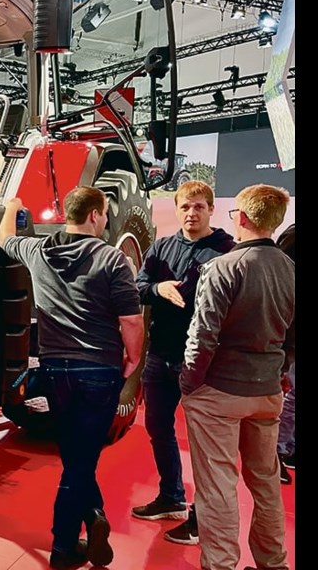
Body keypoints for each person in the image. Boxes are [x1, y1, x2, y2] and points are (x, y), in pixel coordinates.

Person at [0, 187, 144, 569]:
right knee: (82, 462)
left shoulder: (38, 252)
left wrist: (13, 206)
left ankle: (94, 515)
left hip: (54, 369)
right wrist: (134, 357)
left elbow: (4, 240)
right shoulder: (112, 259)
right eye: (106, 216)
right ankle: (63, 547)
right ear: (96, 214)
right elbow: (131, 318)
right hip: (99, 370)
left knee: (75, 453)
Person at [180, 184, 294, 570]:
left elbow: (203, 336)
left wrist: (189, 384)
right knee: (266, 483)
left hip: (220, 392)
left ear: (241, 218)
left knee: (217, 487)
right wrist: (280, 372)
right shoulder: (291, 269)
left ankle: (221, 564)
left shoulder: (223, 267)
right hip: (267, 391)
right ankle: (273, 563)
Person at [130, 181, 235, 546]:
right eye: (186, 206)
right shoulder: (162, 247)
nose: (192, 213)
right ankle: (171, 497)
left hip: (203, 362)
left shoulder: (225, 250)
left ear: (211, 210)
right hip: (160, 356)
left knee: (205, 445)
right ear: (176, 209)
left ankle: (201, 518)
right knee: (159, 429)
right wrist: (159, 290)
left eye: (199, 207)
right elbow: (139, 286)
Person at [275, 223, 295, 484]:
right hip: (291, 329)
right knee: (292, 395)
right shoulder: (293, 236)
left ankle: (287, 448)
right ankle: (277, 450)